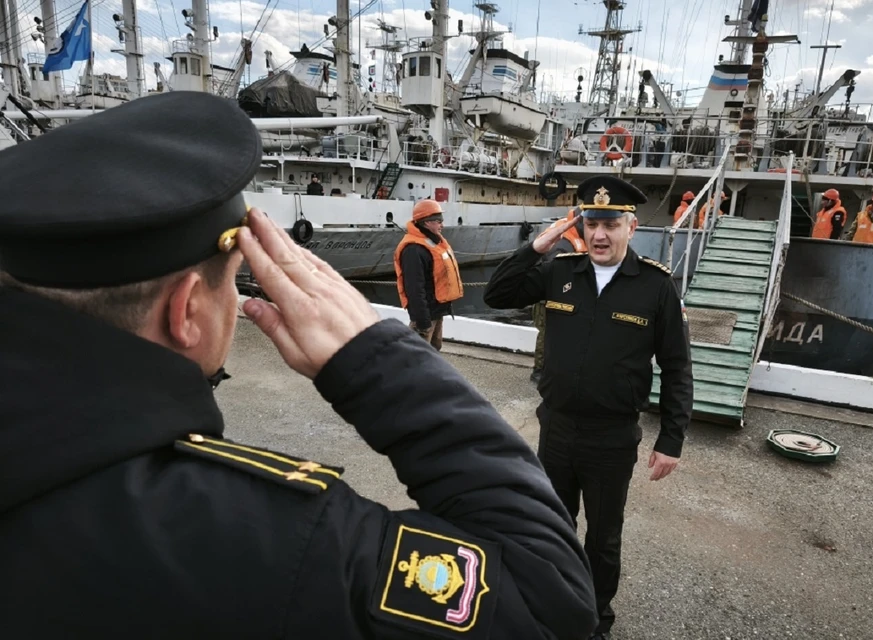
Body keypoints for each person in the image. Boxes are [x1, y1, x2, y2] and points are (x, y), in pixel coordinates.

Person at [0, 92, 598, 638]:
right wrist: (379, 356)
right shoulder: (270, 542)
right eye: (231, 285)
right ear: (186, 311)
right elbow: (548, 602)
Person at [483, 176, 694, 640]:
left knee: (602, 539)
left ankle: (594, 619)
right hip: (556, 430)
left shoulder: (655, 286)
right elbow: (496, 295)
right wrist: (537, 246)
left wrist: (671, 439)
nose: (600, 234)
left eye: (610, 223)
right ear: (581, 224)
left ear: (631, 227)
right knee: (551, 528)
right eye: (591, 222)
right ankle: (551, 605)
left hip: (611, 438)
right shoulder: (561, 270)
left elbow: (677, 368)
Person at [393, 198, 464, 350]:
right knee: (416, 359)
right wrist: (423, 321)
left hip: (436, 312)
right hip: (425, 317)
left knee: (433, 353)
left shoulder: (432, 243)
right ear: (426, 222)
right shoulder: (413, 250)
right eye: (439, 221)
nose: (442, 225)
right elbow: (414, 289)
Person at [531, 208, 588, 382]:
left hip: (561, 296)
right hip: (546, 299)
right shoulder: (563, 244)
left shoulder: (571, 238)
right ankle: (539, 370)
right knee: (546, 334)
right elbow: (553, 272)